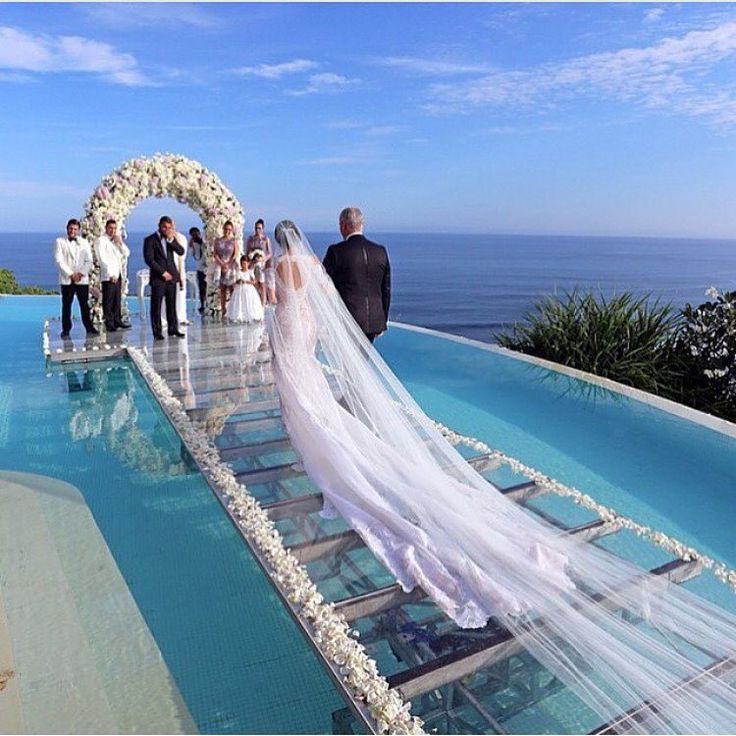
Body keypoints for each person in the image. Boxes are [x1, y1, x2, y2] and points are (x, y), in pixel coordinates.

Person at [268, 220, 736, 734]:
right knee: (320, 402)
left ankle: (312, 445)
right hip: (344, 324)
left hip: (296, 331)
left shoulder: (289, 264)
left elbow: (284, 303)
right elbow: (369, 291)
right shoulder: (321, 260)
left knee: (302, 397)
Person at [322, 207, 391, 343]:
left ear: (344, 225)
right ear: (361, 225)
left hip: (347, 320)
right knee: (362, 362)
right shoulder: (380, 251)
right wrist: (382, 320)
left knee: (345, 363)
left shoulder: (336, 251)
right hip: (374, 321)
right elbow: (386, 290)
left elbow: (323, 283)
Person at [143, 216, 185, 340]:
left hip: (172, 277)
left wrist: (171, 239)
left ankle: (173, 329)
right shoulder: (149, 240)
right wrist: (162, 272)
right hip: (158, 278)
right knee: (156, 306)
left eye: (169, 227)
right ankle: (157, 332)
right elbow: (149, 259)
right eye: (164, 227)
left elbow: (181, 251)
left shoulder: (171, 239)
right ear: (159, 226)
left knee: (171, 305)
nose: (166, 230)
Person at [54, 218, 97, 338]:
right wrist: (71, 274)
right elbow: (59, 260)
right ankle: (66, 329)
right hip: (67, 279)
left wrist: (81, 274)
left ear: (78, 230)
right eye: (71, 228)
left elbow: (89, 260)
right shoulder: (60, 241)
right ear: (67, 228)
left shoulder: (85, 242)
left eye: (75, 229)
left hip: (82, 280)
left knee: (84, 304)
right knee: (67, 305)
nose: (72, 231)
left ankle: (89, 328)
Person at [95, 218, 131, 332]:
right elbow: (102, 259)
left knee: (117, 299)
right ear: (106, 228)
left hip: (118, 274)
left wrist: (120, 243)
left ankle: (117, 320)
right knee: (108, 300)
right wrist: (110, 274)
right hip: (109, 275)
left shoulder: (115, 241)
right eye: (110, 228)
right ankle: (110, 323)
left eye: (114, 228)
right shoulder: (101, 240)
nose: (112, 230)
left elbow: (127, 253)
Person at [211, 220, 239, 316]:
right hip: (220, 266)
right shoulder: (218, 240)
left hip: (231, 266)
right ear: (223, 229)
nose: (227, 231)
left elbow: (235, 254)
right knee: (222, 289)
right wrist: (222, 264)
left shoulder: (233, 241)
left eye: (229, 229)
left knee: (232, 289)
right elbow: (215, 254)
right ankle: (223, 310)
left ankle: (232, 309)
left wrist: (229, 264)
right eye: (226, 229)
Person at [227, 254, 264, 323]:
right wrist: (239, 281)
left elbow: (254, 281)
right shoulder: (238, 272)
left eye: (244, 263)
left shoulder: (250, 272)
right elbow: (236, 281)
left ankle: (251, 315)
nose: (243, 265)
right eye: (242, 263)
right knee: (240, 302)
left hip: (249, 289)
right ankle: (239, 315)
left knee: (250, 301)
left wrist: (247, 281)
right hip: (239, 290)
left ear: (248, 263)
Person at [246, 219, 274, 305]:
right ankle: (255, 302)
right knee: (253, 283)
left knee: (262, 284)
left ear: (262, 229)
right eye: (256, 228)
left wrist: (263, 259)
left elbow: (270, 253)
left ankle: (263, 303)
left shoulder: (265, 239)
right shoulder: (251, 239)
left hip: (261, 264)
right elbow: (248, 251)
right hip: (252, 263)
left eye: (259, 228)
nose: (257, 230)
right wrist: (250, 257)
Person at [188, 227, 207, 314]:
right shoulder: (194, 244)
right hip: (200, 269)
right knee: (201, 288)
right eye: (193, 235)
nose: (195, 236)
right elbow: (191, 254)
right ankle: (202, 304)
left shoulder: (204, 241)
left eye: (196, 234)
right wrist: (191, 245)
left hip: (208, 267)